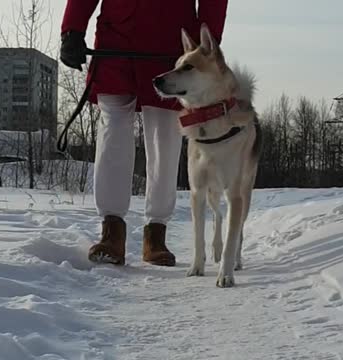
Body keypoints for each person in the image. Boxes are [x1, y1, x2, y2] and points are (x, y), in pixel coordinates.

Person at [60, 0, 229, 267]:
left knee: (165, 136)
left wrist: (208, 41)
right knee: (113, 132)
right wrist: (72, 29)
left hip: (169, 40)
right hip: (116, 39)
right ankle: (111, 230)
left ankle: (156, 232)